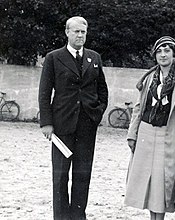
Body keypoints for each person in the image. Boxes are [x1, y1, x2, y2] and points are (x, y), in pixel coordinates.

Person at [38, 16, 108, 220]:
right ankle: (61, 217)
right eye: (76, 31)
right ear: (67, 33)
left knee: (82, 175)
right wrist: (47, 123)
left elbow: (102, 90)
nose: (80, 35)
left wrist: (97, 112)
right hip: (61, 127)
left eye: (83, 32)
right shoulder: (53, 57)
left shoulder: (94, 58)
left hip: (87, 126)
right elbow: (44, 93)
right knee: (60, 176)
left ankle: (78, 216)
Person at [124, 36, 175, 220]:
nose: (163, 55)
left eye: (167, 50)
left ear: (174, 53)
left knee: (163, 180)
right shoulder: (149, 77)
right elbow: (139, 107)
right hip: (146, 132)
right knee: (147, 180)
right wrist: (132, 134)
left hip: (170, 134)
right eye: (159, 51)